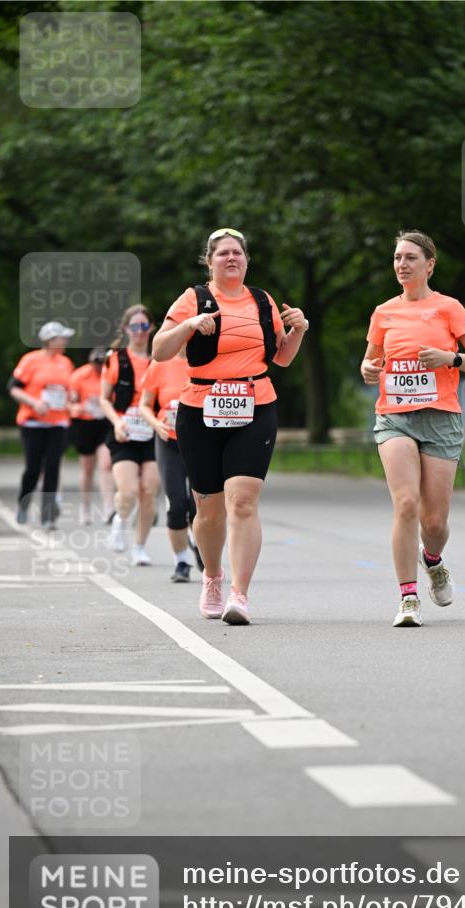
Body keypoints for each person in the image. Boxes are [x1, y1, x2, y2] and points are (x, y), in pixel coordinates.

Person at [152, 227, 308, 624]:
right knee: (208, 509)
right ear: (209, 261)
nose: (231, 258)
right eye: (222, 253)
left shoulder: (262, 300)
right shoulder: (193, 298)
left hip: (255, 404)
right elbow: (160, 349)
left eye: (237, 252)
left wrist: (299, 330)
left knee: (242, 500)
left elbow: (282, 358)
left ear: (247, 259)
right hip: (200, 408)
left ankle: (239, 594)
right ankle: (213, 575)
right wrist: (189, 326)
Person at [361, 230, 465, 627]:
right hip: (395, 417)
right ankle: (408, 598)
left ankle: (432, 560)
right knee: (406, 505)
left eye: (411, 258)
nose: (402, 264)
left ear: (429, 265)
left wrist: (449, 358)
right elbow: (370, 362)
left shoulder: (449, 308)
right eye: (397, 257)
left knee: (434, 523)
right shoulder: (383, 312)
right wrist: (368, 369)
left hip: (441, 418)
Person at [100, 304, 160, 566]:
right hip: (124, 431)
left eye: (144, 326)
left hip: (152, 432)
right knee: (129, 491)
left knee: (149, 490)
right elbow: (103, 399)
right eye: (134, 327)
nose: (139, 332)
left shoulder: (161, 360)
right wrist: (116, 422)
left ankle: (139, 546)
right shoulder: (114, 359)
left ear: (152, 329)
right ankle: (120, 521)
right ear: (126, 329)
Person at [139, 348, 198, 582]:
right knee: (176, 505)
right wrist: (155, 424)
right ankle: (182, 561)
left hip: (199, 445)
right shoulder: (160, 364)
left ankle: (204, 552)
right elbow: (144, 404)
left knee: (200, 508)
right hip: (168, 442)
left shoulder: (207, 359)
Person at [9, 320, 75, 529]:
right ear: (50, 340)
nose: (65, 341)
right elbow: (14, 388)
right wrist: (34, 403)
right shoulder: (31, 360)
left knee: (53, 467)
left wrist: (70, 400)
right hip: (33, 423)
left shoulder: (66, 363)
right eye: (62, 337)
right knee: (33, 468)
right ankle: (23, 505)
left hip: (58, 423)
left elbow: (69, 391)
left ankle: (47, 516)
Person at [69, 347, 114, 524]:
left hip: (103, 423)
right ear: (90, 362)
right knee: (88, 469)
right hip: (85, 423)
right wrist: (77, 408)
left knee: (106, 464)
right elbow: (71, 403)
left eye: (102, 363)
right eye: (96, 363)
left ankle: (109, 508)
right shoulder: (79, 377)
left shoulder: (110, 375)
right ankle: (85, 507)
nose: (99, 367)